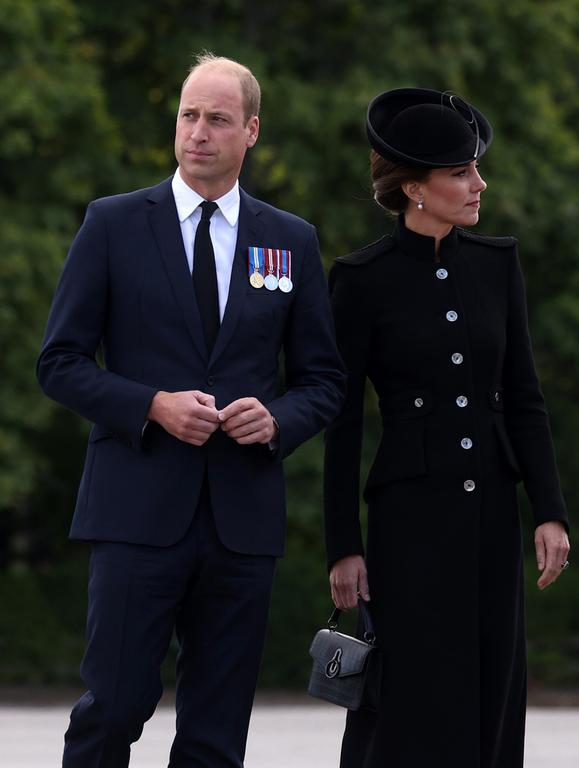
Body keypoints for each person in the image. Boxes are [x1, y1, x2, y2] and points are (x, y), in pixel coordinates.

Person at [37, 53, 344, 767]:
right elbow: (59, 364)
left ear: (252, 131)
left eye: (218, 119)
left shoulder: (289, 239)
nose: (199, 132)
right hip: (136, 514)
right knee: (112, 709)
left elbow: (323, 381)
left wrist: (277, 421)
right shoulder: (112, 224)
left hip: (241, 523)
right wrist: (152, 405)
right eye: (188, 116)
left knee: (216, 731)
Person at [323, 88, 571, 767]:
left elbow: (523, 396)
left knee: (493, 681)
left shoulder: (496, 264)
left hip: (492, 510)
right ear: (414, 188)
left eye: (475, 169)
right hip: (407, 518)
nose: (477, 183)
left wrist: (548, 508)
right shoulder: (360, 280)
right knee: (409, 692)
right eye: (460, 172)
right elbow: (342, 424)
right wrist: (343, 544)